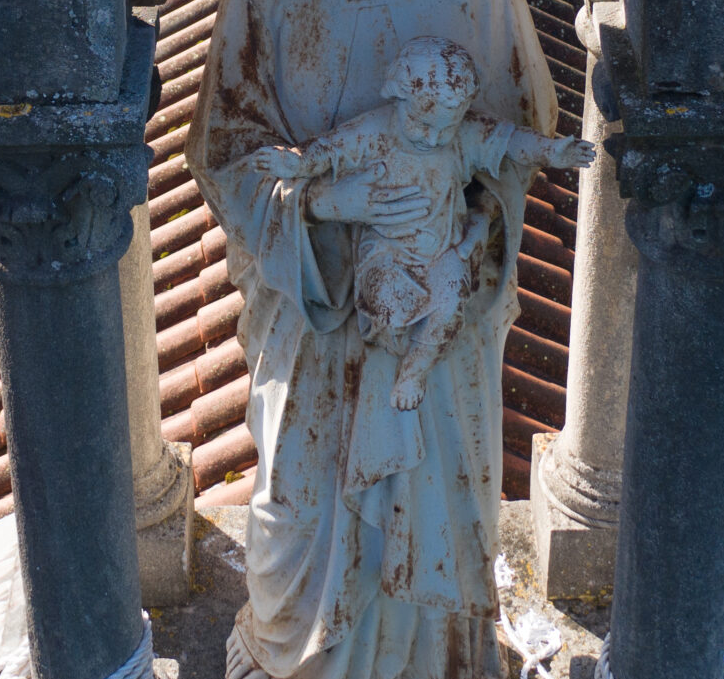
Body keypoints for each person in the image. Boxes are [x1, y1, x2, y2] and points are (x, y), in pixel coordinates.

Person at [186, 0, 561, 679]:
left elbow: (520, 124)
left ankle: (410, 670)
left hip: (433, 287)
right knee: (302, 485)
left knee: (424, 482)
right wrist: (312, 207)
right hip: (310, 292)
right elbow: (224, 146)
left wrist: (451, 230)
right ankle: (317, 668)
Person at [247, 37, 594, 414]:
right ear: (397, 98)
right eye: (421, 124)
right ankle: (395, 335)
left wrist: (552, 151)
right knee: (384, 300)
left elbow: (510, 141)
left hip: (445, 248)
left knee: (449, 305)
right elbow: (327, 151)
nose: (432, 138)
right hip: (385, 251)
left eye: (444, 129)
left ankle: (413, 371)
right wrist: (294, 164)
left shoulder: (462, 136)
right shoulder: (373, 132)